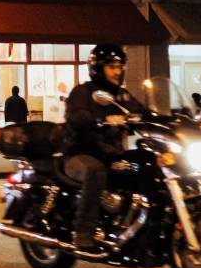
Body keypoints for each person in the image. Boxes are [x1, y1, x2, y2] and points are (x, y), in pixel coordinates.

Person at [62, 43, 145, 252]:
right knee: (95, 171)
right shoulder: (82, 92)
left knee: (142, 165)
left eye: (120, 66)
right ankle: (84, 231)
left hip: (111, 153)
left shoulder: (122, 96)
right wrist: (97, 119)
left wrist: (169, 118)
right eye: (111, 66)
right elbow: (77, 115)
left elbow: (142, 111)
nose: (117, 71)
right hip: (80, 154)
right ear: (98, 68)